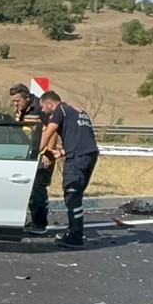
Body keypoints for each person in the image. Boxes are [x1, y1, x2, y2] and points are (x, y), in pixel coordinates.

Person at [38, 91, 100, 248]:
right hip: (89, 154)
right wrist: (62, 152)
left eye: (43, 107)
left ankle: (76, 236)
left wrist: (32, 152)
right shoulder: (78, 111)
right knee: (76, 194)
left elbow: (47, 134)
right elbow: (81, 138)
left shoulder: (60, 110)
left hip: (77, 158)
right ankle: (74, 230)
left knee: (72, 194)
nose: (43, 111)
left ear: (50, 104)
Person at [9, 83, 53, 234]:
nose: (15, 104)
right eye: (13, 101)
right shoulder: (21, 109)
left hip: (42, 154)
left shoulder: (41, 108)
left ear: (27, 98)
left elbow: (53, 130)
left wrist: (48, 153)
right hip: (26, 153)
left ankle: (40, 224)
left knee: (37, 188)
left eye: (18, 101)